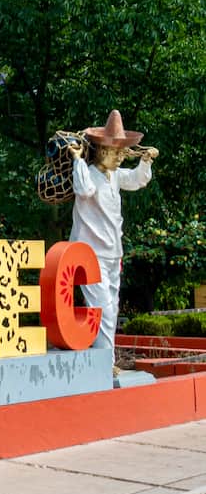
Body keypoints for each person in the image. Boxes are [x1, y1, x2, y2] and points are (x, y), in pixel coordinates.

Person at [68, 110, 157, 355]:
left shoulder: (115, 176)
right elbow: (84, 189)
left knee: (112, 307)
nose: (119, 158)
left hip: (112, 252)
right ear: (102, 151)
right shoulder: (89, 173)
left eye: (121, 153)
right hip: (91, 253)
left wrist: (146, 161)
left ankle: (105, 357)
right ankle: (105, 361)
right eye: (115, 153)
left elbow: (136, 180)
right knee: (103, 308)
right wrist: (77, 160)